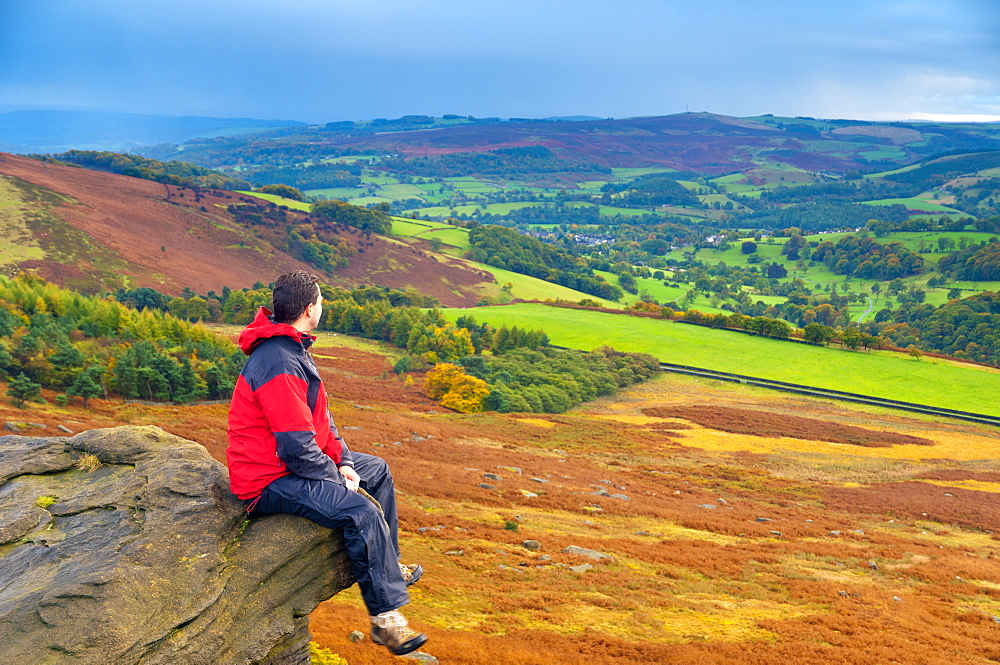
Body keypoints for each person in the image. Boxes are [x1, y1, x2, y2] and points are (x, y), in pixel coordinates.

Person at [226, 270, 427, 656]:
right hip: (267, 479)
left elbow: (320, 421)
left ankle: (390, 565)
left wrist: (347, 463)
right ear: (308, 308)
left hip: (290, 463)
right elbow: (296, 448)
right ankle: (387, 621)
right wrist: (336, 478)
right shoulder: (279, 361)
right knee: (360, 511)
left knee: (377, 471)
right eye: (320, 301)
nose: (322, 307)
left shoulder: (292, 347)